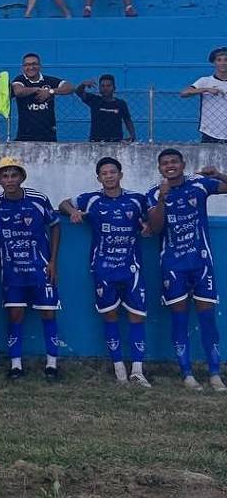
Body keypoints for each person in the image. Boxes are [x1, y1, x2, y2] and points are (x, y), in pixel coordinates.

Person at [0, 157, 62, 380]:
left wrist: (53, 261)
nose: (9, 180)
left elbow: (55, 226)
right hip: (12, 271)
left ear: (22, 177)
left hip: (40, 268)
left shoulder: (38, 199)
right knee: (15, 315)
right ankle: (15, 365)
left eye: (14, 175)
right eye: (5, 176)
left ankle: (52, 363)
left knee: (48, 312)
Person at [59, 157, 151, 387]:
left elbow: (152, 218)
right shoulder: (91, 200)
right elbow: (63, 203)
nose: (109, 176)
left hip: (131, 268)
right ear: (99, 178)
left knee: (137, 316)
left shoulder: (137, 199)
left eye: (112, 172)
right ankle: (119, 368)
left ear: (121, 175)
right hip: (103, 268)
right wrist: (73, 211)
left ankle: (137, 370)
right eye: (104, 173)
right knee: (109, 316)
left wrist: (148, 225)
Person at [147, 151, 227, 391]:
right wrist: (162, 199)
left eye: (174, 162)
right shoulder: (153, 194)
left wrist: (219, 174)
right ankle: (187, 374)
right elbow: (155, 227)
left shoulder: (199, 185)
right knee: (179, 318)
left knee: (207, 319)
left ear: (183, 164)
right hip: (173, 267)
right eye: (165, 163)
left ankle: (215, 374)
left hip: (201, 263)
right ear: (160, 168)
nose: (170, 166)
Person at [11, 52, 76, 142]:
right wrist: (37, 89)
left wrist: (50, 91)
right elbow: (18, 91)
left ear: (40, 66)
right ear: (23, 67)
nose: (31, 67)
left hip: (48, 135)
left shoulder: (49, 80)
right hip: (25, 135)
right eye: (27, 65)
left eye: (34, 64)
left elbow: (70, 87)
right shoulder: (20, 80)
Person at [180, 46, 227, 143]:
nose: (223, 63)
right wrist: (206, 89)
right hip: (210, 132)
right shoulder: (205, 81)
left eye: (226, 60)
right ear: (214, 62)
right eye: (219, 60)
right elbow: (184, 93)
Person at [76, 75, 136, 142]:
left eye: (108, 86)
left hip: (116, 142)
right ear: (99, 88)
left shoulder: (121, 104)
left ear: (114, 88)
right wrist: (83, 85)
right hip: (96, 142)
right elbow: (78, 92)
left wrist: (132, 135)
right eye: (103, 86)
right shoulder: (94, 100)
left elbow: (127, 120)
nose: (105, 88)